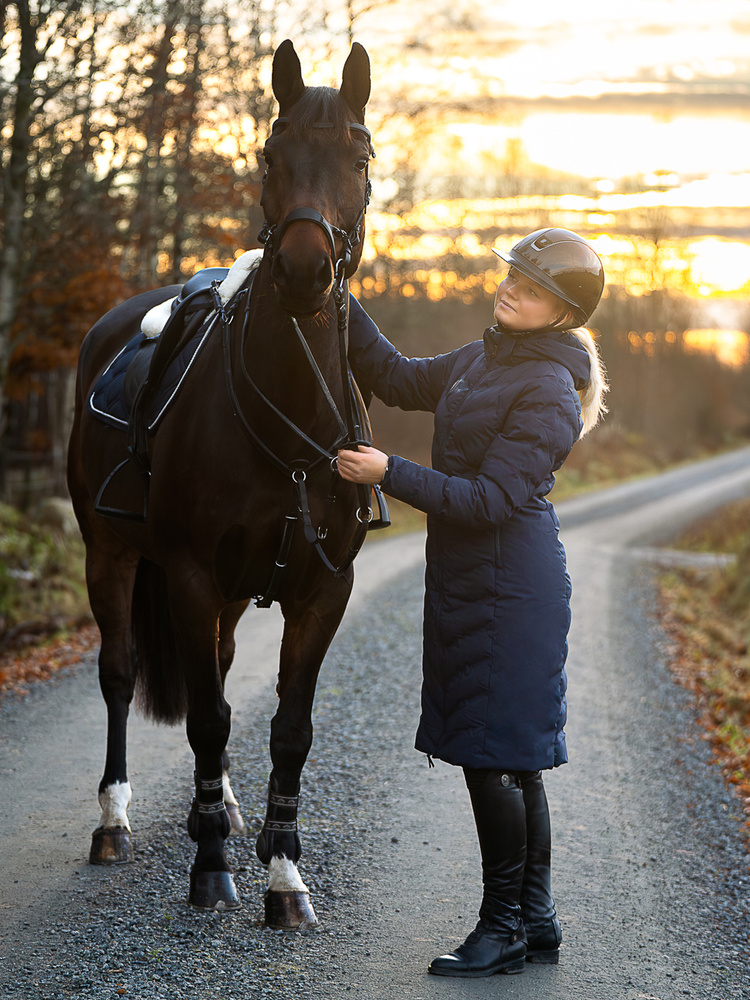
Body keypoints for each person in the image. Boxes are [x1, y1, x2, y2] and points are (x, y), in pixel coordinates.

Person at [337, 228, 608, 978]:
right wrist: (336, 289)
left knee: (496, 758)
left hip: (510, 586)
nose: (509, 288)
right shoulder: (482, 357)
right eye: (511, 275)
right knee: (516, 760)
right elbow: (393, 375)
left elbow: (489, 501)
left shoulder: (549, 389)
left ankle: (503, 929)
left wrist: (388, 472)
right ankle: (538, 914)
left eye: (530, 286)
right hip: (473, 580)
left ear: (562, 313)